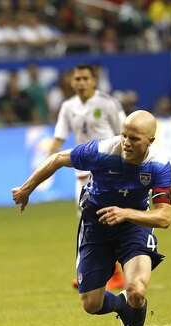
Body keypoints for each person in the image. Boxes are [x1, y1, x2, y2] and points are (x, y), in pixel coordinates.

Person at [12, 110, 171, 326]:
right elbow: (57, 158)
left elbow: (164, 217)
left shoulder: (159, 165)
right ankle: (121, 307)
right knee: (91, 304)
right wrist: (26, 189)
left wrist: (126, 213)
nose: (127, 143)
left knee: (137, 290)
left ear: (150, 140)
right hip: (96, 226)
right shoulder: (102, 151)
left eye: (135, 138)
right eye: (124, 136)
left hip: (133, 227)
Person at [49, 63, 127, 290]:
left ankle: (114, 275)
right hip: (82, 174)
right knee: (88, 223)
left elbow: (126, 133)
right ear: (71, 82)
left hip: (108, 173)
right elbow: (58, 139)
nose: (81, 83)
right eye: (77, 79)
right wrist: (45, 165)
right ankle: (96, 274)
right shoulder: (68, 107)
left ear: (94, 80)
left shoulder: (108, 104)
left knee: (107, 221)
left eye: (85, 78)